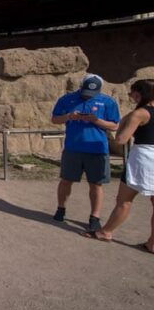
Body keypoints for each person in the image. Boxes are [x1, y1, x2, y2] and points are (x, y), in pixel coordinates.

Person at [83, 79, 154, 252]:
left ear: (139, 93)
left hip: (144, 157)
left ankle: (105, 232)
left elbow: (121, 139)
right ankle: (152, 243)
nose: (131, 97)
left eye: (132, 93)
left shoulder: (141, 113)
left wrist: (125, 122)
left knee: (124, 200)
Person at [51, 74, 120, 231]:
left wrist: (96, 120)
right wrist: (69, 116)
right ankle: (61, 209)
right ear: (81, 87)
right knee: (66, 180)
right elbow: (55, 119)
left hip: (97, 149)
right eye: (86, 92)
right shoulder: (67, 99)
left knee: (96, 184)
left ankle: (94, 217)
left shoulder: (108, 102)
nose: (88, 96)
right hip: (73, 148)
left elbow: (115, 125)